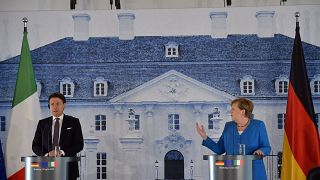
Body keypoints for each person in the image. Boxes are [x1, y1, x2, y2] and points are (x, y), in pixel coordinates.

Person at [196, 97, 271, 180]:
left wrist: (261, 151)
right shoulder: (228, 126)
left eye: (233, 109)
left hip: (253, 172)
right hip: (232, 172)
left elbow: (267, 147)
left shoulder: (258, 125)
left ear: (242, 112)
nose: (230, 111)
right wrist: (205, 137)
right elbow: (219, 149)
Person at [32, 92, 84, 180]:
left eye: (58, 104)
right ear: (49, 106)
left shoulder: (74, 122)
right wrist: (47, 154)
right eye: (52, 104)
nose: (55, 107)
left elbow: (79, 144)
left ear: (64, 105)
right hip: (46, 167)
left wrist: (62, 152)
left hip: (68, 168)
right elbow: (35, 145)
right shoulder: (42, 123)